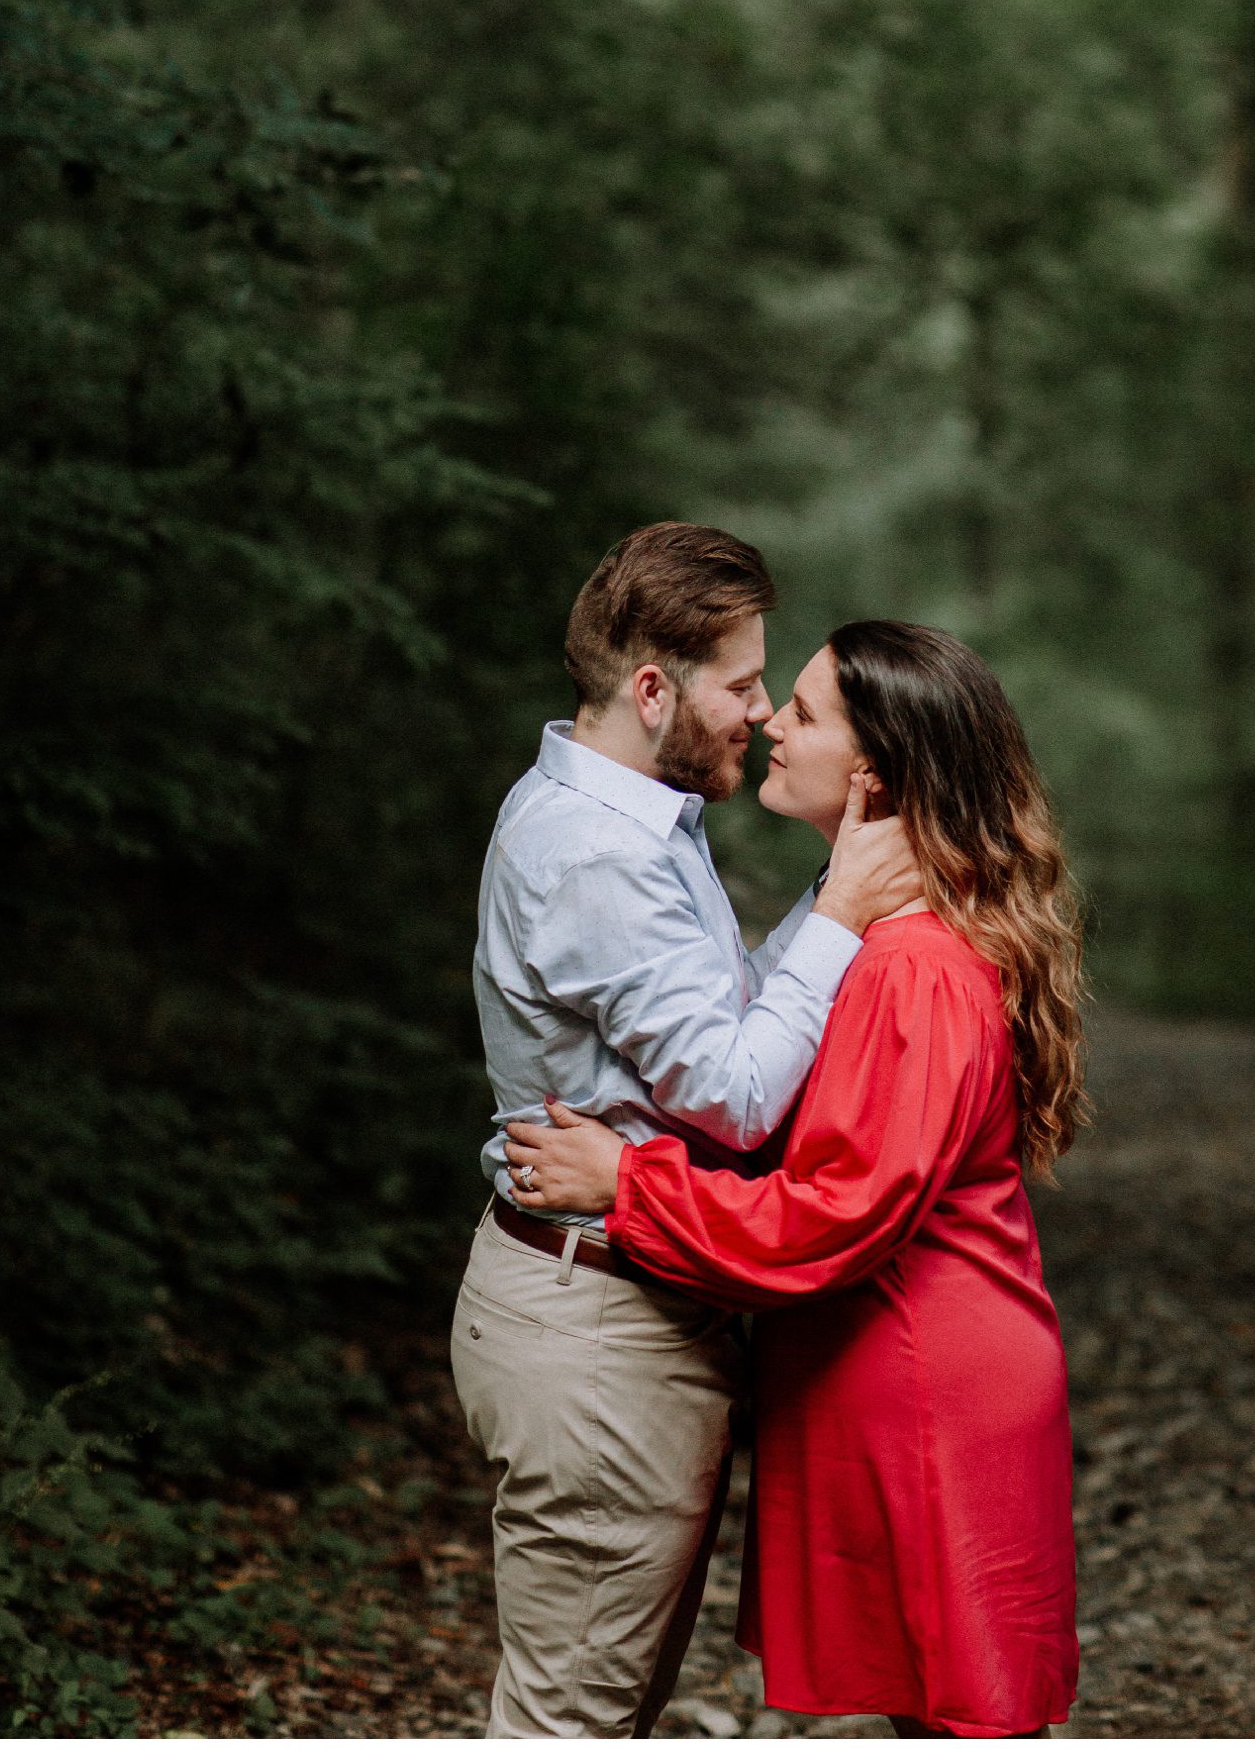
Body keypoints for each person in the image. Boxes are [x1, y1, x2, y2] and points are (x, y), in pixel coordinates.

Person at [508, 619, 1086, 1743]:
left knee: (962, 1710)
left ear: (872, 773)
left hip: (929, 1382)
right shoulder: (889, 936)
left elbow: (835, 1211)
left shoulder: (912, 968)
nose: (771, 716)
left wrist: (625, 1183)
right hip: (908, 1364)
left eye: (806, 709)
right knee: (939, 1700)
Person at [453, 524, 924, 1740]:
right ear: (651, 687)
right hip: (597, 1325)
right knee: (572, 1718)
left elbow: (721, 1022)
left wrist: (831, 911)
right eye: (741, 681)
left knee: (600, 1704)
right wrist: (841, 915)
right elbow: (737, 1089)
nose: (760, 712)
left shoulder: (628, 810)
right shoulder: (599, 850)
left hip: (622, 1301)